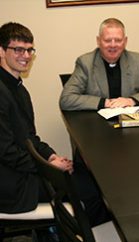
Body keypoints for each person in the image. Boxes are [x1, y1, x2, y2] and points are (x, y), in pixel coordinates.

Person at [0, 22, 108, 227]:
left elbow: (29, 138)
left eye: (30, 49)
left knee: (86, 175)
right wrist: (50, 167)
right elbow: (6, 152)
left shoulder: (18, 89)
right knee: (91, 189)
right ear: (1, 51)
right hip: (11, 185)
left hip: (21, 170)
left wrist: (51, 155)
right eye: (18, 49)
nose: (26, 55)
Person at [59, 17, 139, 111]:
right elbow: (66, 99)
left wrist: (131, 101)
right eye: (107, 40)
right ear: (98, 41)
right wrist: (104, 103)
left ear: (125, 41)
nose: (113, 45)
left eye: (118, 40)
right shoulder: (85, 63)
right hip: (97, 127)